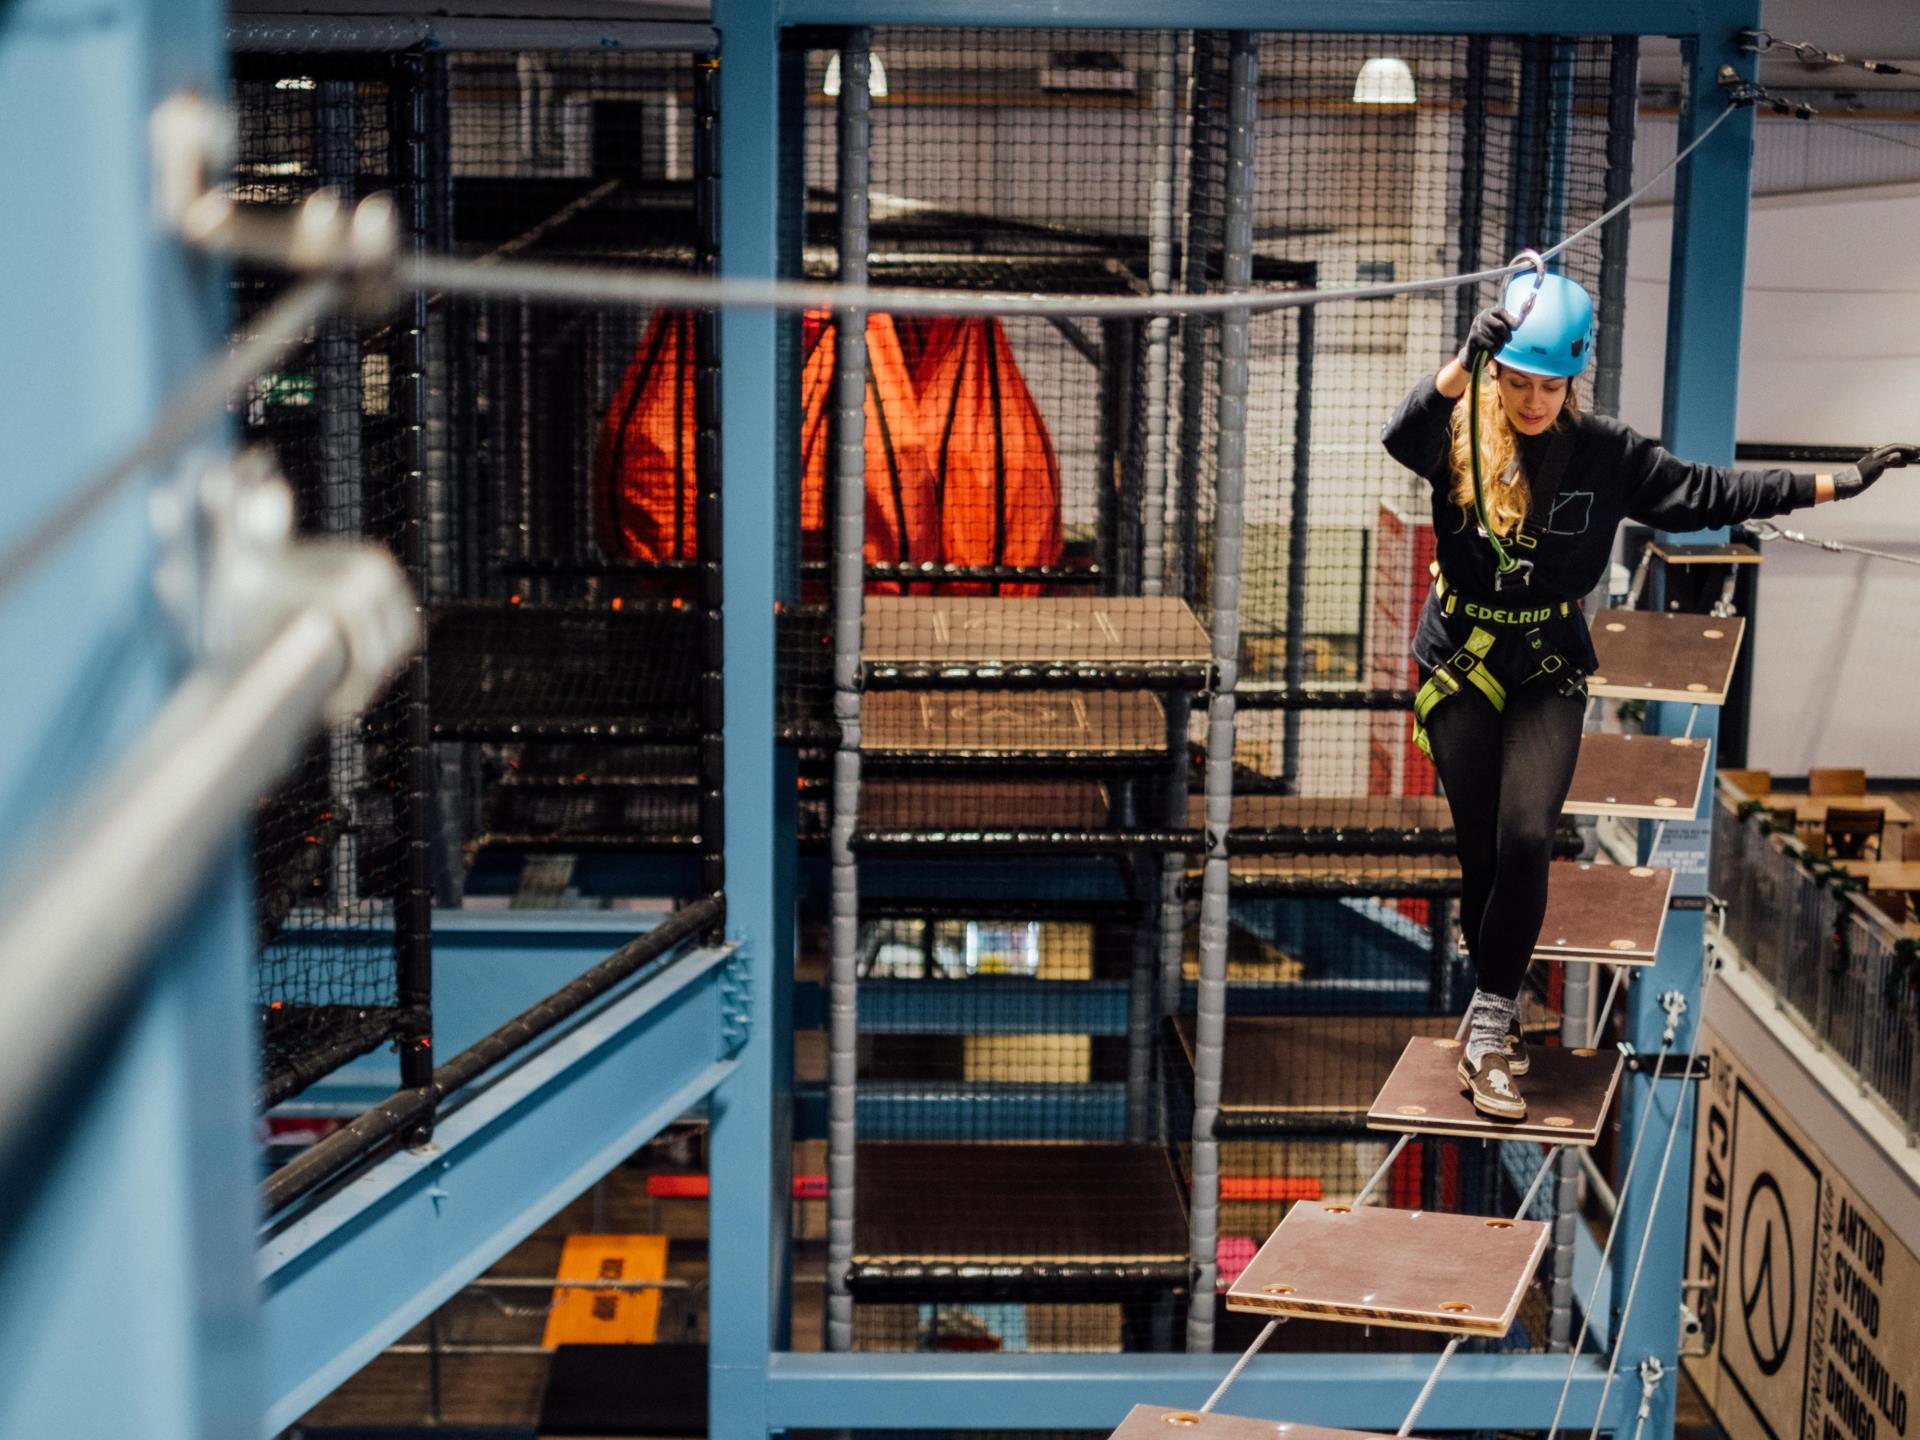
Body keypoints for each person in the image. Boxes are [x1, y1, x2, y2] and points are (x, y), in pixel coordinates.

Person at [1381, 270, 1916, 1120]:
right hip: (1462, 660)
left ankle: (1489, 1028)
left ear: (1574, 377)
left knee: (1526, 835)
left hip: (1548, 661)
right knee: (1481, 850)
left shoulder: (1610, 455)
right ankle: (1494, 974)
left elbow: (1713, 493)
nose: (1528, 400)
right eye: (1513, 382)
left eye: (1545, 386)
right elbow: (1400, 438)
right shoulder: (1459, 430)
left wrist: (1841, 482)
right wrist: (1459, 367)